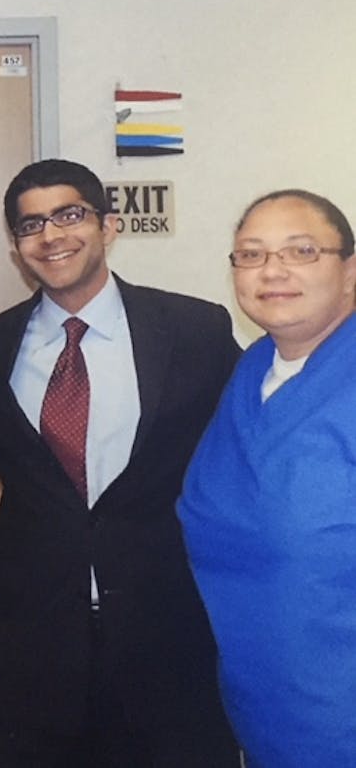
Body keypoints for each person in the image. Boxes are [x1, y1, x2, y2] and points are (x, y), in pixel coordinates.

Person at [0, 158, 241, 767]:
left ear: (109, 225)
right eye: (31, 225)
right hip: (39, 643)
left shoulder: (193, 330)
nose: (52, 235)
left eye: (70, 215)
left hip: (170, 628)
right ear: (17, 246)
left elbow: (241, 457)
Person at [178, 190, 356, 768]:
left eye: (301, 250)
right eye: (250, 255)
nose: (272, 270)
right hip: (266, 712)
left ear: (350, 271)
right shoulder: (254, 368)